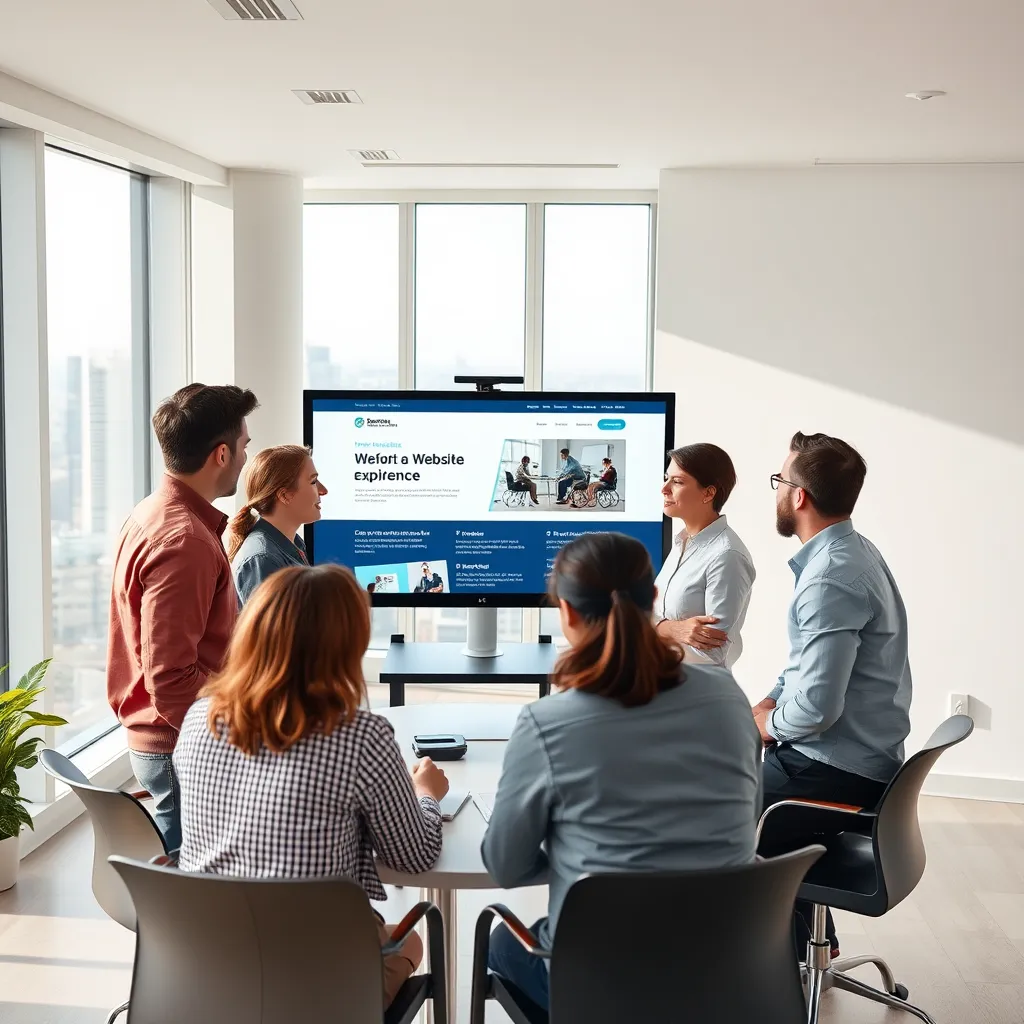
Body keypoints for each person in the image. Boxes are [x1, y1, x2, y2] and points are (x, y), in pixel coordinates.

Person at [481, 532, 762, 1011]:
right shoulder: (730, 698)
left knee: (500, 943)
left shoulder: (547, 723)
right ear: (653, 598)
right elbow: (745, 815)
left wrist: (577, 849)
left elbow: (505, 865)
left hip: (603, 986)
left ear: (567, 613)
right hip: (722, 974)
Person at [173, 564, 449, 1008]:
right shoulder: (360, 736)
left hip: (211, 978)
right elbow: (413, 856)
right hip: (316, 988)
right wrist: (426, 795)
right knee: (412, 940)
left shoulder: (197, 721)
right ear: (346, 646)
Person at [754, 432, 912, 956]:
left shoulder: (829, 578)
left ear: (799, 496)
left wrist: (767, 724)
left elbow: (818, 709)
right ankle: (806, 946)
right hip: (853, 758)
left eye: (779, 481)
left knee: (704, 811)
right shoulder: (852, 552)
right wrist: (770, 703)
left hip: (834, 770)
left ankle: (762, 970)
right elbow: (806, 662)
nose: (777, 491)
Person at [106, 383, 259, 854]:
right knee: (186, 894)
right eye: (243, 446)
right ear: (221, 455)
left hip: (167, 743)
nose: (245, 458)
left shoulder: (152, 512)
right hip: (180, 748)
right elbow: (171, 679)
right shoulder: (185, 542)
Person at [653, 444, 755, 669]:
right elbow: (650, 615)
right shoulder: (682, 542)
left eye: (677, 481)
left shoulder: (727, 555)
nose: (664, 489)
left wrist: (656, 629)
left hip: (696, 687)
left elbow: (712, 651)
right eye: (666, 478)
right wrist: (670, 629)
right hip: (662, 682)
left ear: (708, 493)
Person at [228, 445, 328, 605]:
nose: (323, 490)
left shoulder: (293, 544)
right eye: (313, 481)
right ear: (285, 495)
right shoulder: (263, 559)